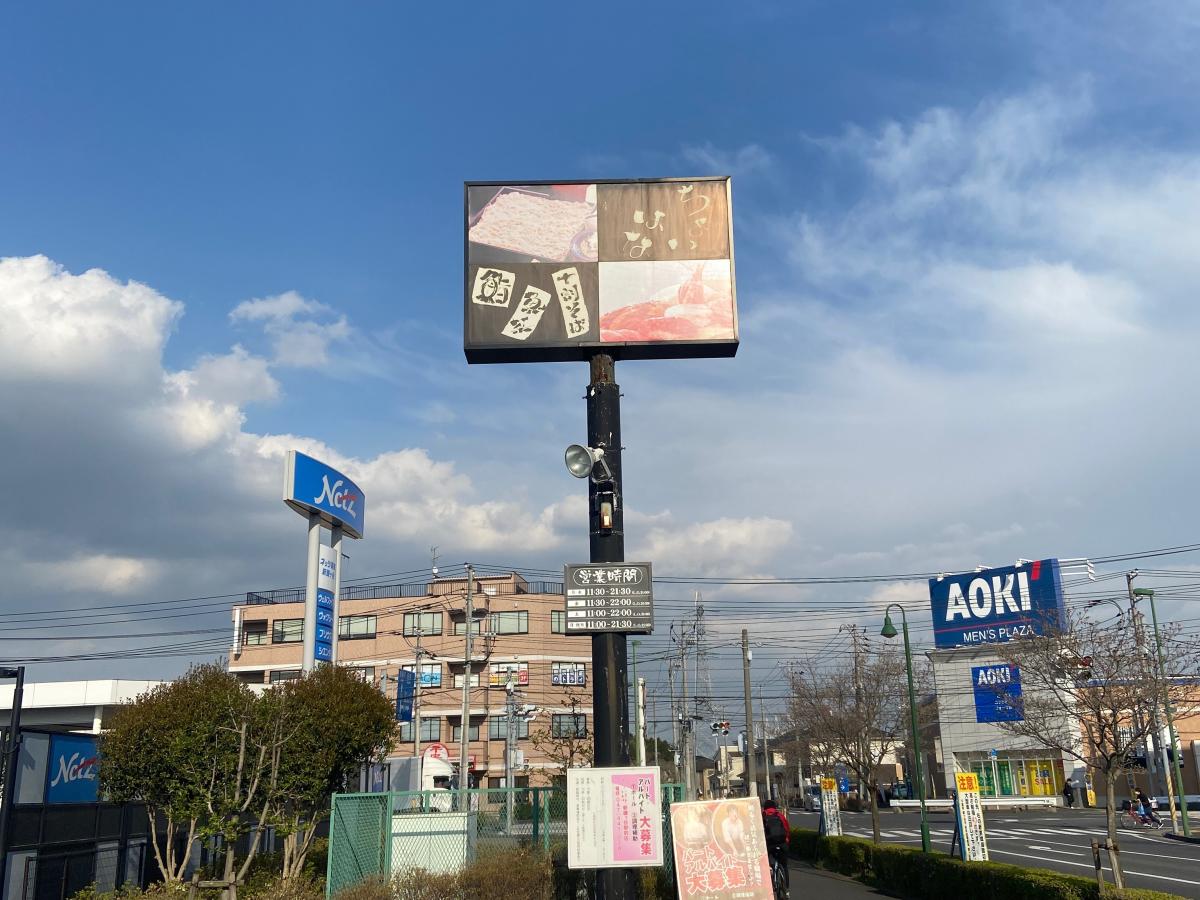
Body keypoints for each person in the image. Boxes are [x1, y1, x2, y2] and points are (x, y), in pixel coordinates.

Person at [761, 795, 790, 891]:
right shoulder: (779, 815)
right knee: (784, 864)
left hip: (769, 844)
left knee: (766, 862)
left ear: (765, 807)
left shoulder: (762, 816)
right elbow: (787, 829)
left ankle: (771, 873)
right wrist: (787, 840)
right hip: (782, 843)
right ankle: (786, 887)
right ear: (774, 807)